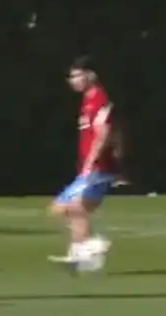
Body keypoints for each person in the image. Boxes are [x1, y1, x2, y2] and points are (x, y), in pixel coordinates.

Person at [47, 56, 119, 270]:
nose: (72, 80)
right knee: (60, 209)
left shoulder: (98, 99)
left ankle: (89, 245)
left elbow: (103, 132)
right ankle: (82, 253)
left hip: (98, 168)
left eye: (77, 75)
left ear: (90, 75)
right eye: (71, 76)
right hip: (89, 168)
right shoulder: (87, 99)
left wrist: (91, 162)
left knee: (76, 207)